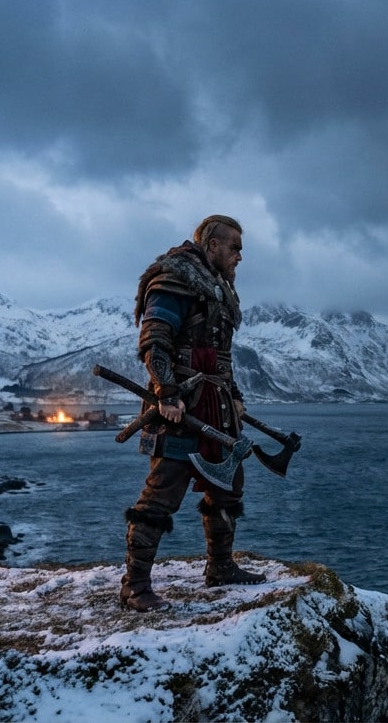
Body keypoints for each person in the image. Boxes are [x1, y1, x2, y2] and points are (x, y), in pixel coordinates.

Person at [119, 214, 266, 612]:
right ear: (212, 244)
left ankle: (220, 566)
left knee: (228, 485)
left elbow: (220, 357)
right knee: (162, 491)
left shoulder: (220, 290)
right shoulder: (174, 279)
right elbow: (155, 341)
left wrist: (234, 395)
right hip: (179, 406)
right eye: (234, 246)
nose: (239, 255)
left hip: (216, 407)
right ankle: (134, 586)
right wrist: (166, 392)